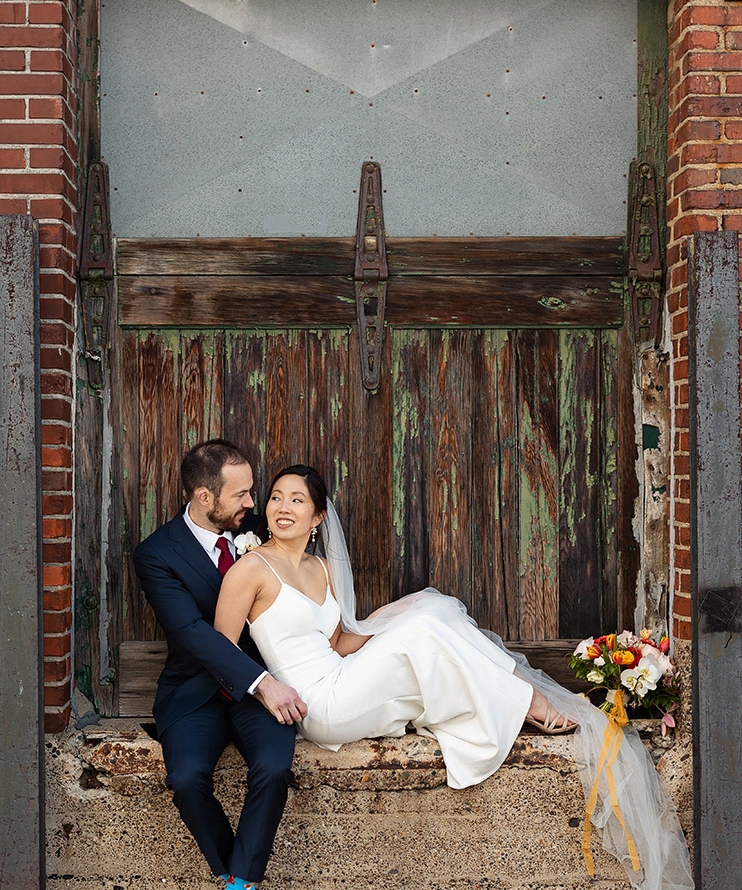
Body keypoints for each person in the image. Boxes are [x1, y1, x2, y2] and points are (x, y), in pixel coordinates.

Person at [215, 464, 695, 890]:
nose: (283, 507)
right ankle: (526, 699)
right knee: (426, 627)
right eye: (276, 497)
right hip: (316, 703)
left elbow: (339, 641)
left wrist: (397, 614)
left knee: (430, 611)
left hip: (341, 673)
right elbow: (220, 650)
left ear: (318, 517)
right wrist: (265, 692)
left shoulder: (321, 567)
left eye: (297, 500)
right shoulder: (251, 569)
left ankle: (517, 695)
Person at [133, 440, 308, 890]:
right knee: (187, 779)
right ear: (204, 496)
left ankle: (240, 882)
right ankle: (232, 868)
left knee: (273, 768)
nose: (253, 503)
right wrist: (262, 683)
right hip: (196, 691)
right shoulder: (156, 554)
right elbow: (192, 632)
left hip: (260, 691)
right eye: (241, 494)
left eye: (252, 491)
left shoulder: (259, 528)